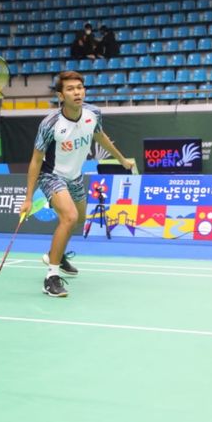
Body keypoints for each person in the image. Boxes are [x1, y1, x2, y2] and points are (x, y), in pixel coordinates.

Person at [20, 71, 133, 298]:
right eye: (70, 89)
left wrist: (120, 159)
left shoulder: (93, 113)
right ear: (61, 96)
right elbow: (35, 160)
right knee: (69, 217)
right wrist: (29, 197)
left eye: (80, 87)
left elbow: (100, 137)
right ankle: (50, 277)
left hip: (75, 176)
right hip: (51, 175)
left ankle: (56, 254)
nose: (77, 92)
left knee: (79, 220)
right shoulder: (50, 124)